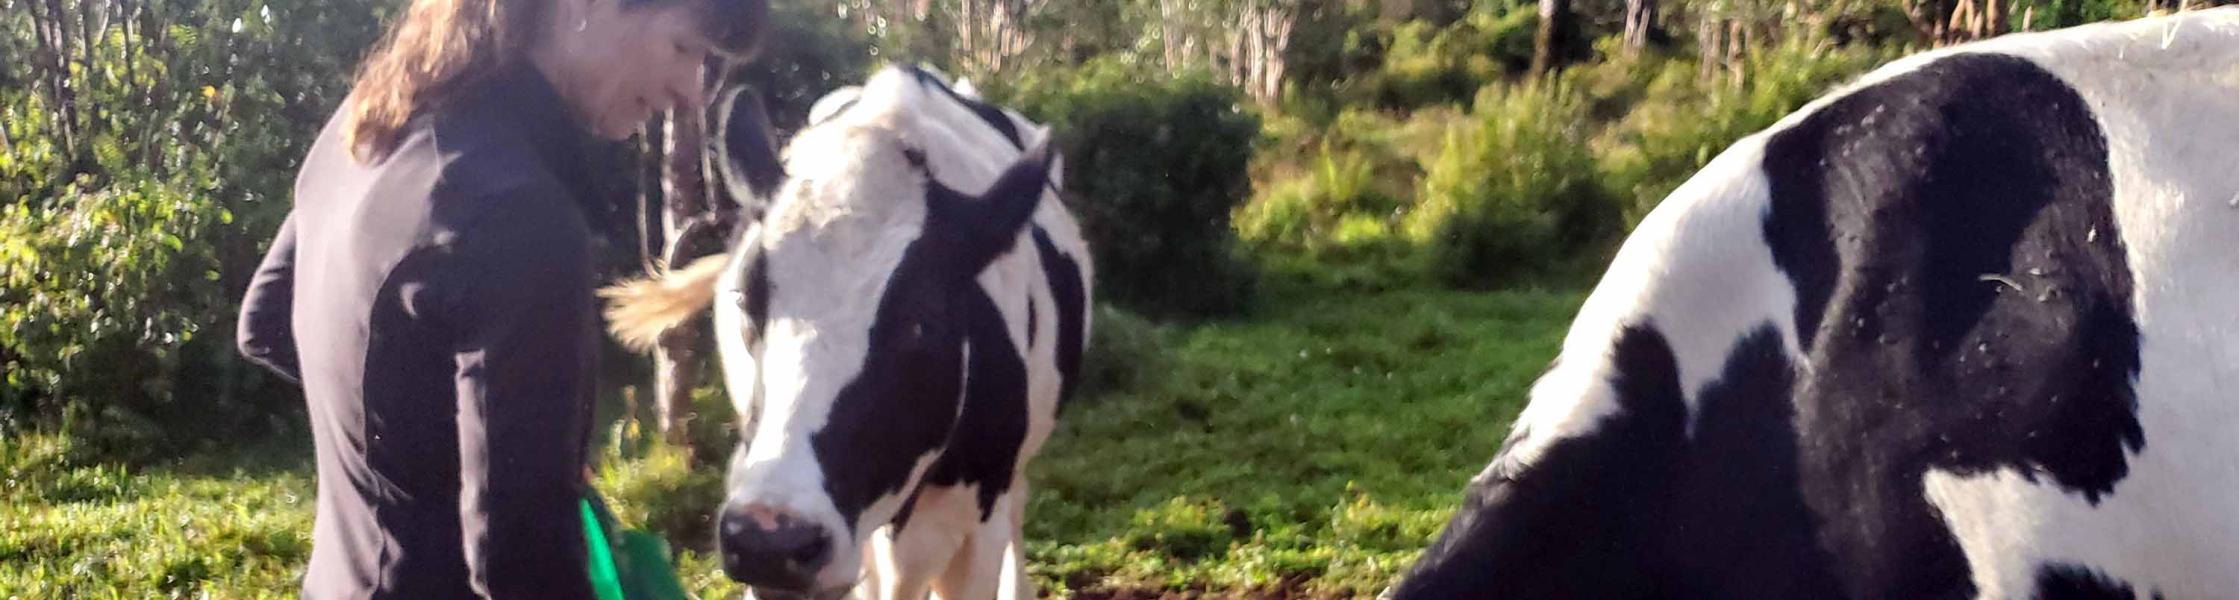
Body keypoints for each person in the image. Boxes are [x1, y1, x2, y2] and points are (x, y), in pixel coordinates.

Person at [233, 0, 764, 595]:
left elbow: (267, 324)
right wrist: (487, 468)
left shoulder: (369, 119)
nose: (691, 93)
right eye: (684, 49)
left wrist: (434, 453)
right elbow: (521, 562)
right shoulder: (517, 212)